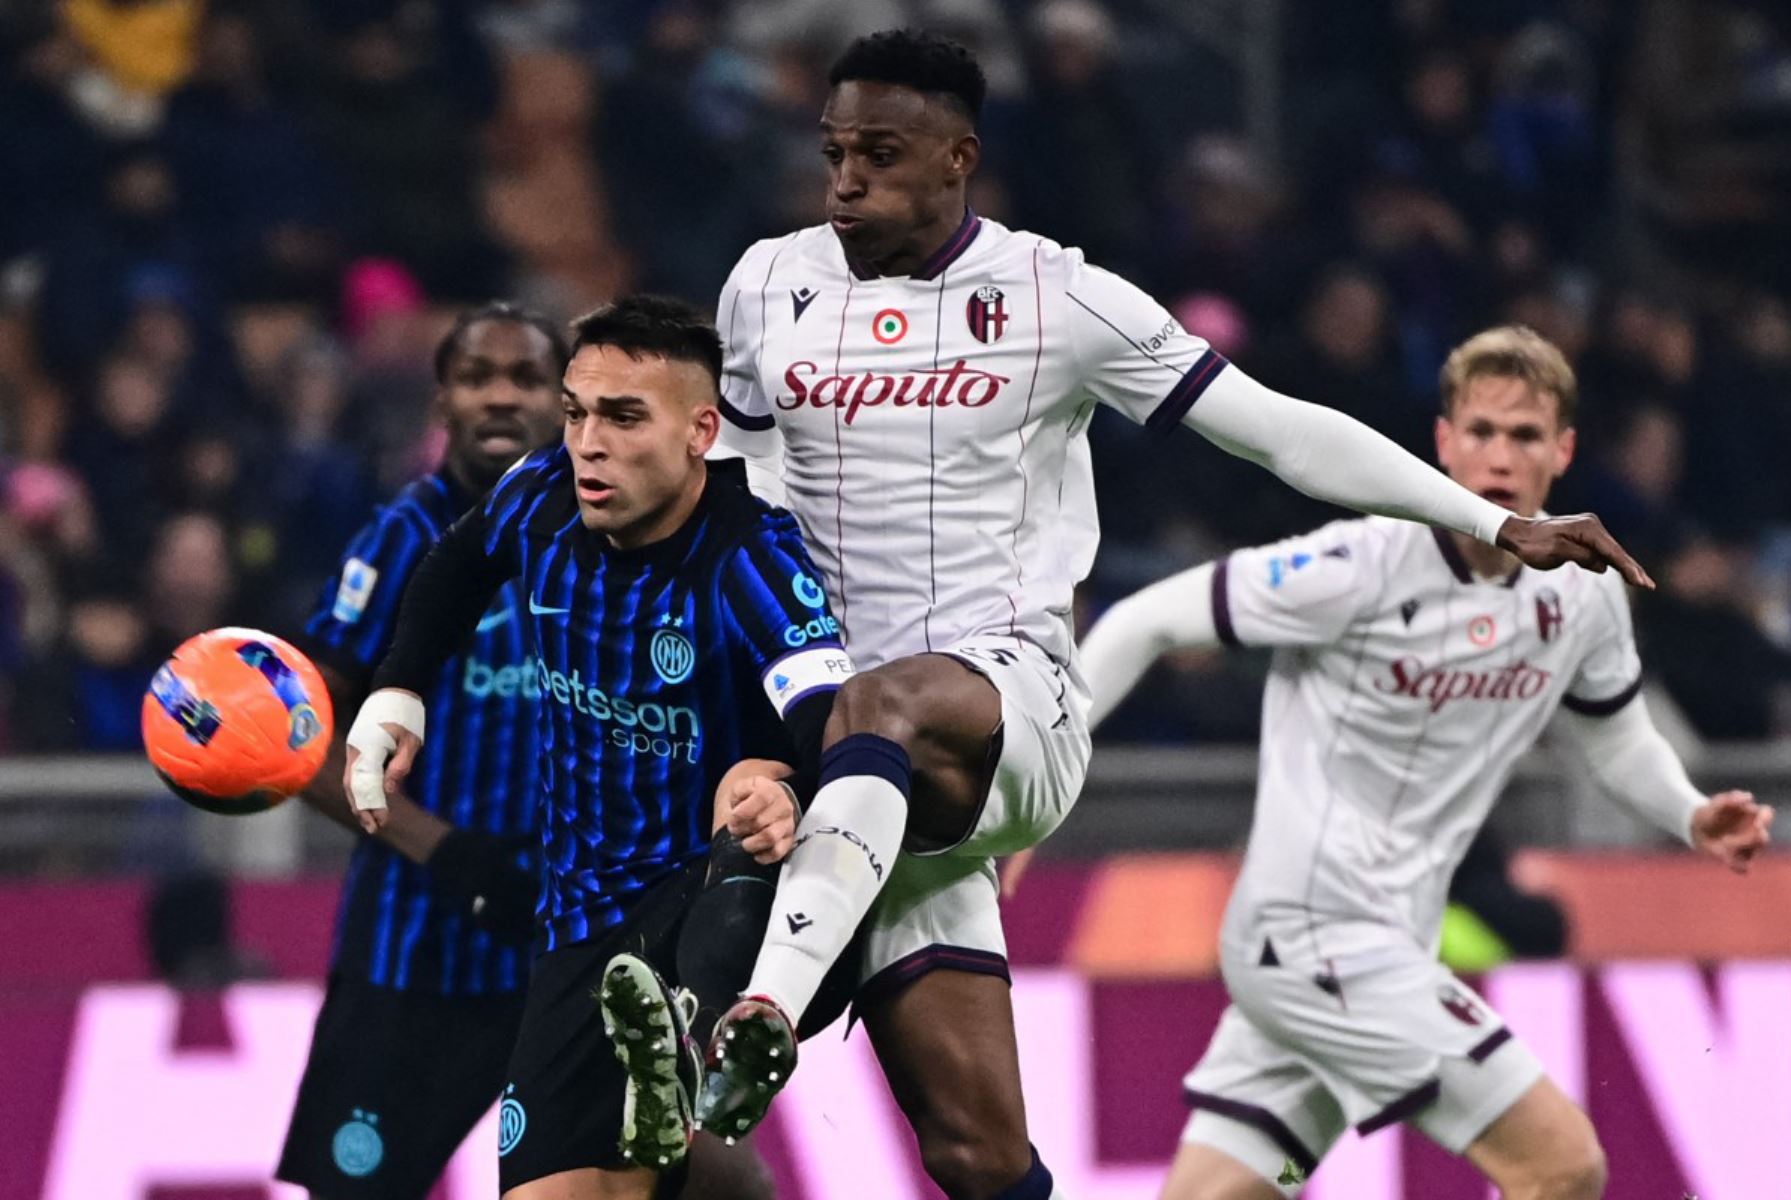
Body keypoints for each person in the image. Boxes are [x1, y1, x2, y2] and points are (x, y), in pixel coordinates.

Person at [685, 29, 1652, 1200]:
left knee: (881, 705)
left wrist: (1492, 520)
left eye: (880, 156)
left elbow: (1280, 433)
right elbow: (737, 508)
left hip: (1008, 711)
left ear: (958, 159)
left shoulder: (1060, 297)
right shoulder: (766, 286)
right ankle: (734, 1030)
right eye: (835, 153)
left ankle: (762, 1015)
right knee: (979, 1158)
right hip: (855, 766)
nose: (846, 182)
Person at [1070, 326, 1771, 1200]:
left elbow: (1616, 737)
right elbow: (1144, 622)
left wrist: (1688, 811)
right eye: (1481, 431)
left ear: (1563, 451)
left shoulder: (1581, 594)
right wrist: (1041, 784)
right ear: (1443, 442)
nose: (1500, 455)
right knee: (1563, 1165)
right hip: (1316, 940)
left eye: (1524, 435)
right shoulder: (1357, 564)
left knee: (1227, 1191)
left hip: (1371, 951)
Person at [339, 295, 854, 1200]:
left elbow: (831, 714)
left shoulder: (749, 555)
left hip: (717, 895)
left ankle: (691, 1049)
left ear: (700, 433)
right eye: (576, 413)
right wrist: (399, 686)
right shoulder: (540, 496)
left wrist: (792, 786)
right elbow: (461, 562)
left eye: (623, 418)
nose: (588, 444)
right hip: (578, 925)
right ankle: (689, 1114)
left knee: (743, 802)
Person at [276, 302, 565, 1200]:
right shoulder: (403, 537)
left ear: (567, 400)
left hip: (566, 951)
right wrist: (447, 852)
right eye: (478, 378)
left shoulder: (604, 537)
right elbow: (298, 739)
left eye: (527, 377)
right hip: (415, 954)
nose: (502, 397)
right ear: (443, 402)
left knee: (707, 1179)